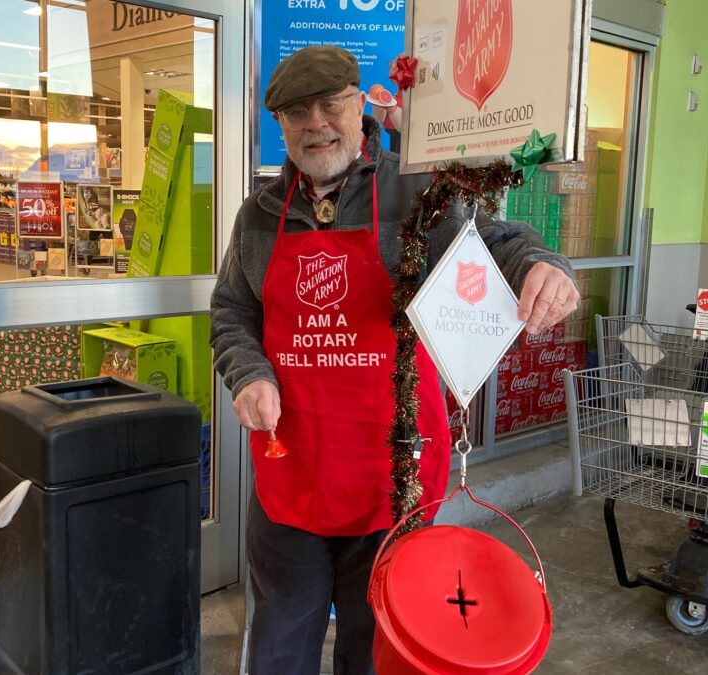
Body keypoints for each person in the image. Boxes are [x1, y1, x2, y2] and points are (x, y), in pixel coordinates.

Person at [210, 45, 579, 674]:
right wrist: (248, 373)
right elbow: (231, 315)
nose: (315, 123)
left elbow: (501, 241)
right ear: (279, 125)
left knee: (382, 643)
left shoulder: (418, 192)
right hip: (292, 473)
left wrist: (545, 268)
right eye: (296, 112)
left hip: (396, 474)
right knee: (278, 643)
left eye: (330, 104)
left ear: (361, 106)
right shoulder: (258, 216)